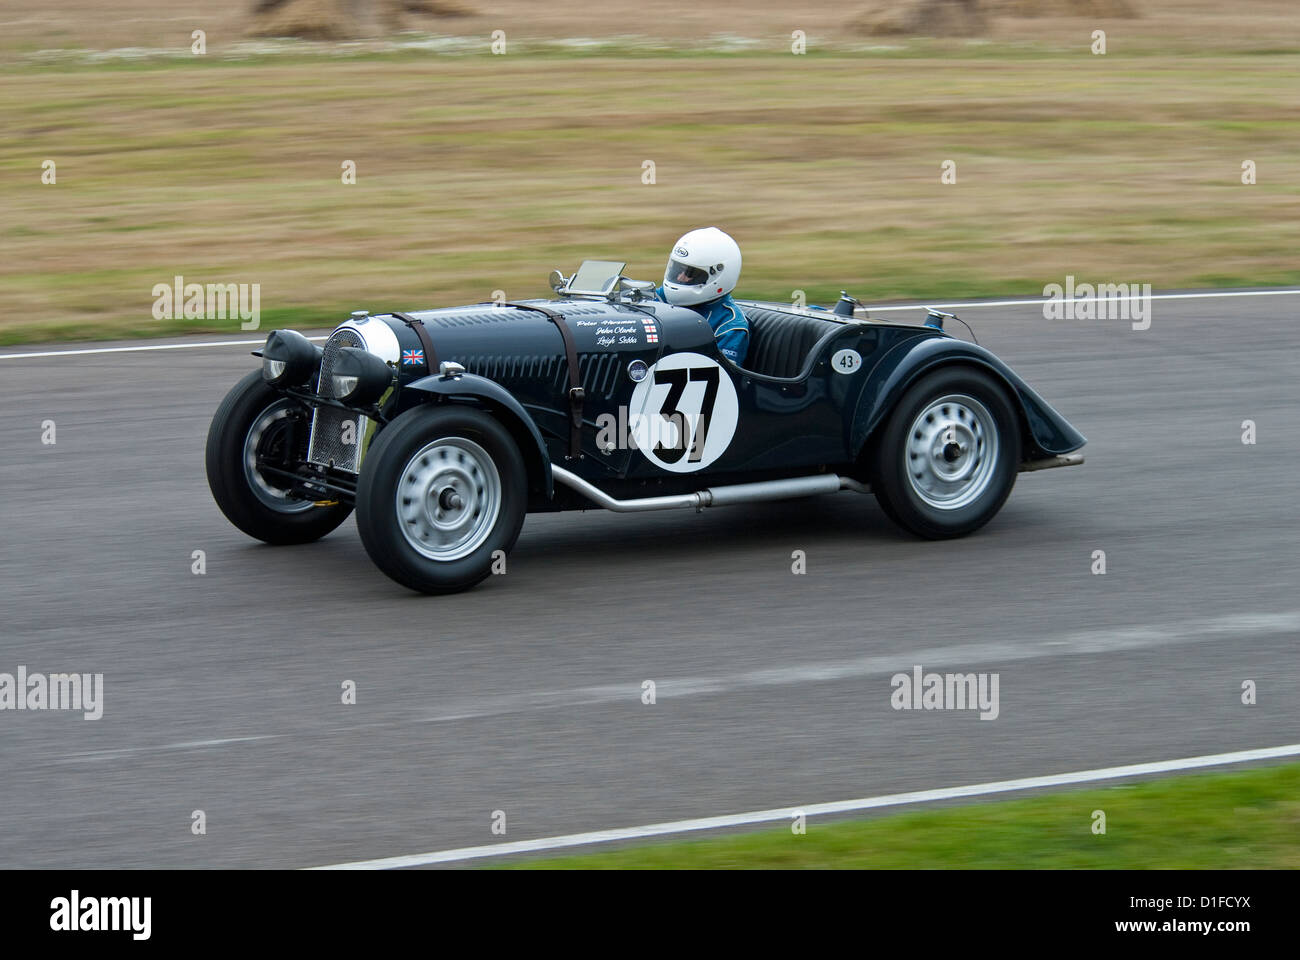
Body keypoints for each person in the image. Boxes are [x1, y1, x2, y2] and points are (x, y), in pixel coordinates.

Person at [655, 227, 749, 367]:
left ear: (717, 275)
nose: (680, 277)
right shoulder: (661, 296)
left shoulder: (729, 326)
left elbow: (722, 378)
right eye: (677, 270)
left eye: (690, 273)